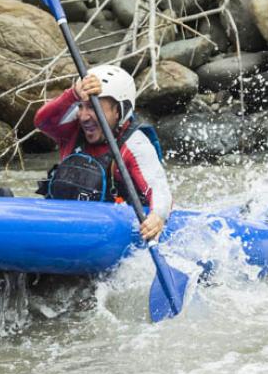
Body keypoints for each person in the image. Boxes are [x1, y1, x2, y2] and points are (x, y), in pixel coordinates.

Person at [34, 64, 172, 241]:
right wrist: (74, 93)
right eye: (81, 106)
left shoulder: (135, 144)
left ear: (118, 110)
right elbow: (42, 121)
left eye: (93, 107)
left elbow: (159, 188)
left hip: (109, 234)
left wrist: (158, 216)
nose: (84, 116)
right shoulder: (72, 131)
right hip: (63, 224)